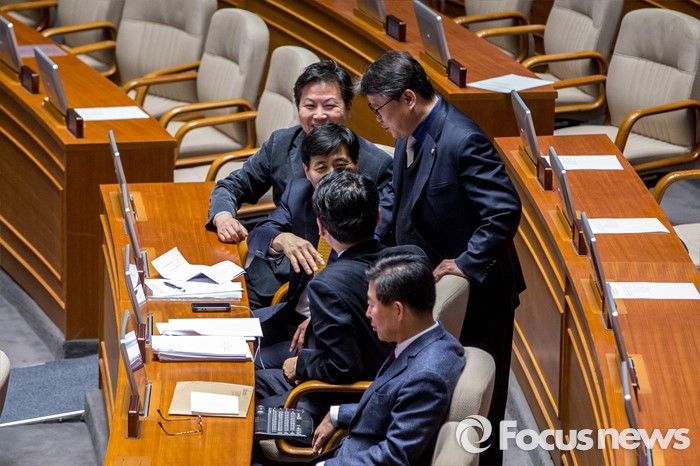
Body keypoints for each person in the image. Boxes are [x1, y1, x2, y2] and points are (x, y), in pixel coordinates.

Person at [356, 50, 525, 465]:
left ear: (408, 98)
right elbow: (399, 198)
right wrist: (372, 237)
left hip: (481, 293)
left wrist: (466, 262)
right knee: (442, 396)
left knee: (480, 407)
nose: (378, 120)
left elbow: (504, 210)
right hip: (429, 285)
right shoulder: (408, 131)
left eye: (379, 109)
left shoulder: (463, 140)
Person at [207, 59, 393, 309]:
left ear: (348, 109)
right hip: (276, 273)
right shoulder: (281, 145)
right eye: (310, 105)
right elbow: (232, 187)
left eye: (330, 105)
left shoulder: (378, 165)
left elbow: (373, 241)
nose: (319, 115)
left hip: (342, 286)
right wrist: (224, 217)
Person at [255, 170, 417, 423]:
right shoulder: (412, 257)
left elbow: (343, 367)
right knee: (252, 378)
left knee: (246, 411)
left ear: (321, 227)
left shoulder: (327, 285)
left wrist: (299, 365)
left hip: (343, 399)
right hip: (397, 380)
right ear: (378, 216)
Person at [311, 252, 466, 465]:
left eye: (372, 304)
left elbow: (394, 456)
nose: (367, 313)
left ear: (398, 310)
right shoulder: (432, 340)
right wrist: (337, 414)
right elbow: (390, 407)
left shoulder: (426, 376)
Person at [248, 123, 361, 368]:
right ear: (306, 170)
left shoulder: (364, 204)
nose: (332, 175)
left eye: (341, 165)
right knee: (224, 333)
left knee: (246, 363)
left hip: (328, 331)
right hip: (290, 313)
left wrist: (323, 318)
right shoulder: (298, 193)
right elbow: (259, 234)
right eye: (321, 167)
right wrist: (281, 239)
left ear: (357, 163)